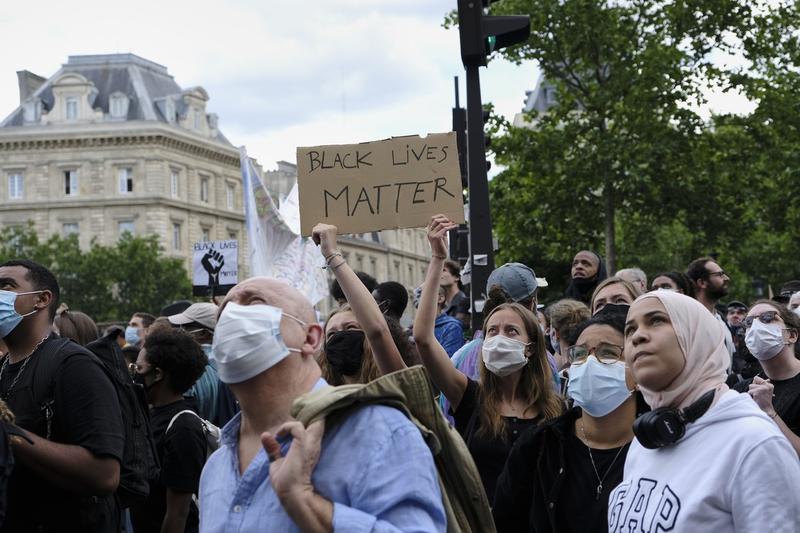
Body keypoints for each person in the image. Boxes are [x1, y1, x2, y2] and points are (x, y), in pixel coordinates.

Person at [198, 273, 446, 532]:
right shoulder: (215, 469)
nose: (233, 317)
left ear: (311, 339)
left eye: (254, 303)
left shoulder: (378, 431)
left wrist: (305, 502)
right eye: (224, 313)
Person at [609, 290, 800, 531]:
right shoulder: (645, 440)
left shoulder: (753, 444)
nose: (637, 337)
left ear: (697, 334)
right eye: (630, 329)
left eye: (656, 320)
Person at [414, 215, 562, 500]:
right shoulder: (470, 398)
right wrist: (436, 258)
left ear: (531, 347)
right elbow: (423, 338)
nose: (498, 338)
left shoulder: (555, 409)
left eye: (510, 331)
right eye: (492, 331)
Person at [494, 306, 643, 532]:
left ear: (639, 370)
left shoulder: (657, 449)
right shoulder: (540, 445)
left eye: (609, 353)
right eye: (580, 354)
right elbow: (505, 521)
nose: (591, 363)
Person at [0, 260, 124, 532]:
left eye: (5, 287)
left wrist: (10, 435)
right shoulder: (4, 367)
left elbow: (105, 476)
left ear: (41, 300)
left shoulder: (74, 364)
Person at [129, 328, 208, 533]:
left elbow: (177, 514)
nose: (133, 374)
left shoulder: (184, 428)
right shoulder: (151, 413)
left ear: (157, 374)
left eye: (137, 368)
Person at [732, 300, 800, 455]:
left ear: (791, 335)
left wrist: (769, 411)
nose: (756, 326)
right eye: (749, 322)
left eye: (768, 318)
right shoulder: (741, 390)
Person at [168, 302, 238, 427]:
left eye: (185, 327)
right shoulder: (235, 365)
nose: (179, 331)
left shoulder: (186, 368)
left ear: (203, 333)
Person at [685, 257, 736, 367]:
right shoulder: (688, 320)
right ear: (702, 282)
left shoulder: (721, 319)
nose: (726, 278)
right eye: (720, 274)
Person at [434, 286, 465, 357]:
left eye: (422, 294)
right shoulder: (414, 329)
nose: (419, 299)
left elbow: (448, 363)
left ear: (440, 298)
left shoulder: (451, 328)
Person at [441, 259, 470, 328]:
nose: (439, 273)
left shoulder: (464, 303)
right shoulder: (441, 305)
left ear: (456, 277)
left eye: (444, 270)